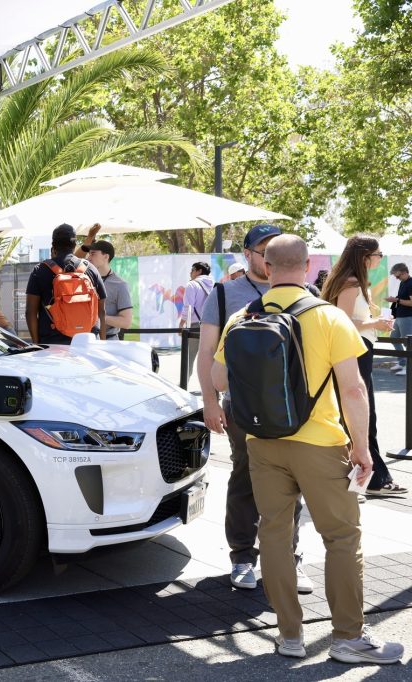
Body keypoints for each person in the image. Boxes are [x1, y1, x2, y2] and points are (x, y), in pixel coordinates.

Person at [212, 234, 404, 665]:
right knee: (341, 537)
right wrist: (362, 449)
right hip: (320, 443)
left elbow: (220, 380)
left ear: (267, 267)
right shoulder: (328, 316)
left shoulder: (243, 316)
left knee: (274, 536)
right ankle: (348, 638)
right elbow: (353, 390)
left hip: (263, 443)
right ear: (306, 267)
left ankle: (289, 636)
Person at [197, 223, 311, 593]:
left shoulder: (305, 293)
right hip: (242, 407)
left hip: (294, 409)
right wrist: (210, 402)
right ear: (247, 254)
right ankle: (242, 556)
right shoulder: (225, 293)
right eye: (265, 250)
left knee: (292, 482)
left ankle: (289, 557)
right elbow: (206, 352)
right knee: (245, 478)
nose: (272, 257)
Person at [321, 237, 407, 497]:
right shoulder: (351, 282)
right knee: (361, 416)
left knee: (361, 416)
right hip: (354, 351)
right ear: (365, 256)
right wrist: (374, 324)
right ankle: (375, 480)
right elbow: (344, 321)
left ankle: (368, 479)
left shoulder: (352, 281)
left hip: (357, 350)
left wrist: (373, 319)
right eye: (378, 253)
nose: (381, 258)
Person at [25, 224, 107, 343]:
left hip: (52, 343)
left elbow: (30, 312)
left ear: (53, 245)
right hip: (87, 342)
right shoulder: (90, 269)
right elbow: (101, 311)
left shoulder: (40, 271)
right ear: (74, 245)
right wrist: (102, 342)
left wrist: (37, 343)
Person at [84, 239, 132, 339]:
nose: (88, 258)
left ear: (106, 257)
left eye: (93, 254)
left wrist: (99, 318)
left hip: (109, 341)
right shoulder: (83, 280)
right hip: (84, 340)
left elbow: (126, 322)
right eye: (89, 254)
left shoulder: (120, 285)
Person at [181, 262, 213, 380]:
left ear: (199, 271)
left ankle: (184, 383)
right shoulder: (214, 284)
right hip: (213, 326)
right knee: (210, 358)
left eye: (192, 270)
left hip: (195, 325)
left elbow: (188, 307)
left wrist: (181, 323)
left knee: (188, 357)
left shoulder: (192, 285)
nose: (190, 273)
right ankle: (214, 386)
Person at [385, 262, 412, 376]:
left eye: (398, 276)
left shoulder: (410, 283)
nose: (397, 278)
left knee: (408, 343)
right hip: (401, 316)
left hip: (407, 317)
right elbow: (401, 299)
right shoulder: (403, 282)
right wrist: (395, 299)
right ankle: (402, 362)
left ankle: (409, 368)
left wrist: (397, 300)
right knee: (394, 338)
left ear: (404, 272)